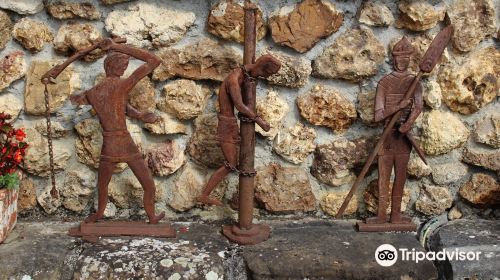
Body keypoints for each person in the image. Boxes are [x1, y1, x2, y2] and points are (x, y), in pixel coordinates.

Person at [46, 38, 165, 224]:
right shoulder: (122, 85)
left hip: (109, 144)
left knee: (103, 184)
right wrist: (115, 46)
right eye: (123, 65)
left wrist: (141, 115)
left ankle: (99, 215)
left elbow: (116, 106)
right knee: (148, 184)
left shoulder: (93, 92)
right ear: (114, 66)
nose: (125, 69)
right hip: (125, 143)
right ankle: (151, 216)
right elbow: (153, 60)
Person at [196, 54, 281, 206]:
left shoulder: (244, 74)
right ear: (260, 67)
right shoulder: (233, 80)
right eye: (264, 74)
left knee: (233, 163)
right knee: (231, 164)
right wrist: (260, 121)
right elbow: (240, 106)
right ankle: (204, 194)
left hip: (231, 124)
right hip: (226, 125)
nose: (262, 77)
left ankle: (204, 194)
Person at [370, 37, 423, 224]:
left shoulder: (414, 82)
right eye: (398, 59)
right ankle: (381, 215)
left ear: (409, 60)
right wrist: (396, 107)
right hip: (387, 137)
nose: (401, 63)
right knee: (383, 177)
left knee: (400, 177)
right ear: (393, 60)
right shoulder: (384, 83)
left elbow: (418, 107)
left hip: (403, 138)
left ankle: (396, 216)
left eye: (405, 59)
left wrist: (407, 124)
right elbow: (378, 115)